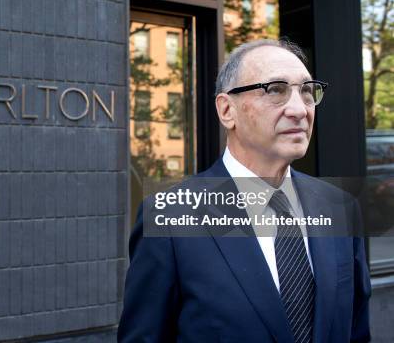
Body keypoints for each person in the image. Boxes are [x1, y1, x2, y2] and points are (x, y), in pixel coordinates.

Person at [118, 39, 371, 343]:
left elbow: (356, 331)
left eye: (307, 91)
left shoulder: (339, 207)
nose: (299, 110)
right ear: (227, 111)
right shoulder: (170, 215)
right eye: (275, 90)